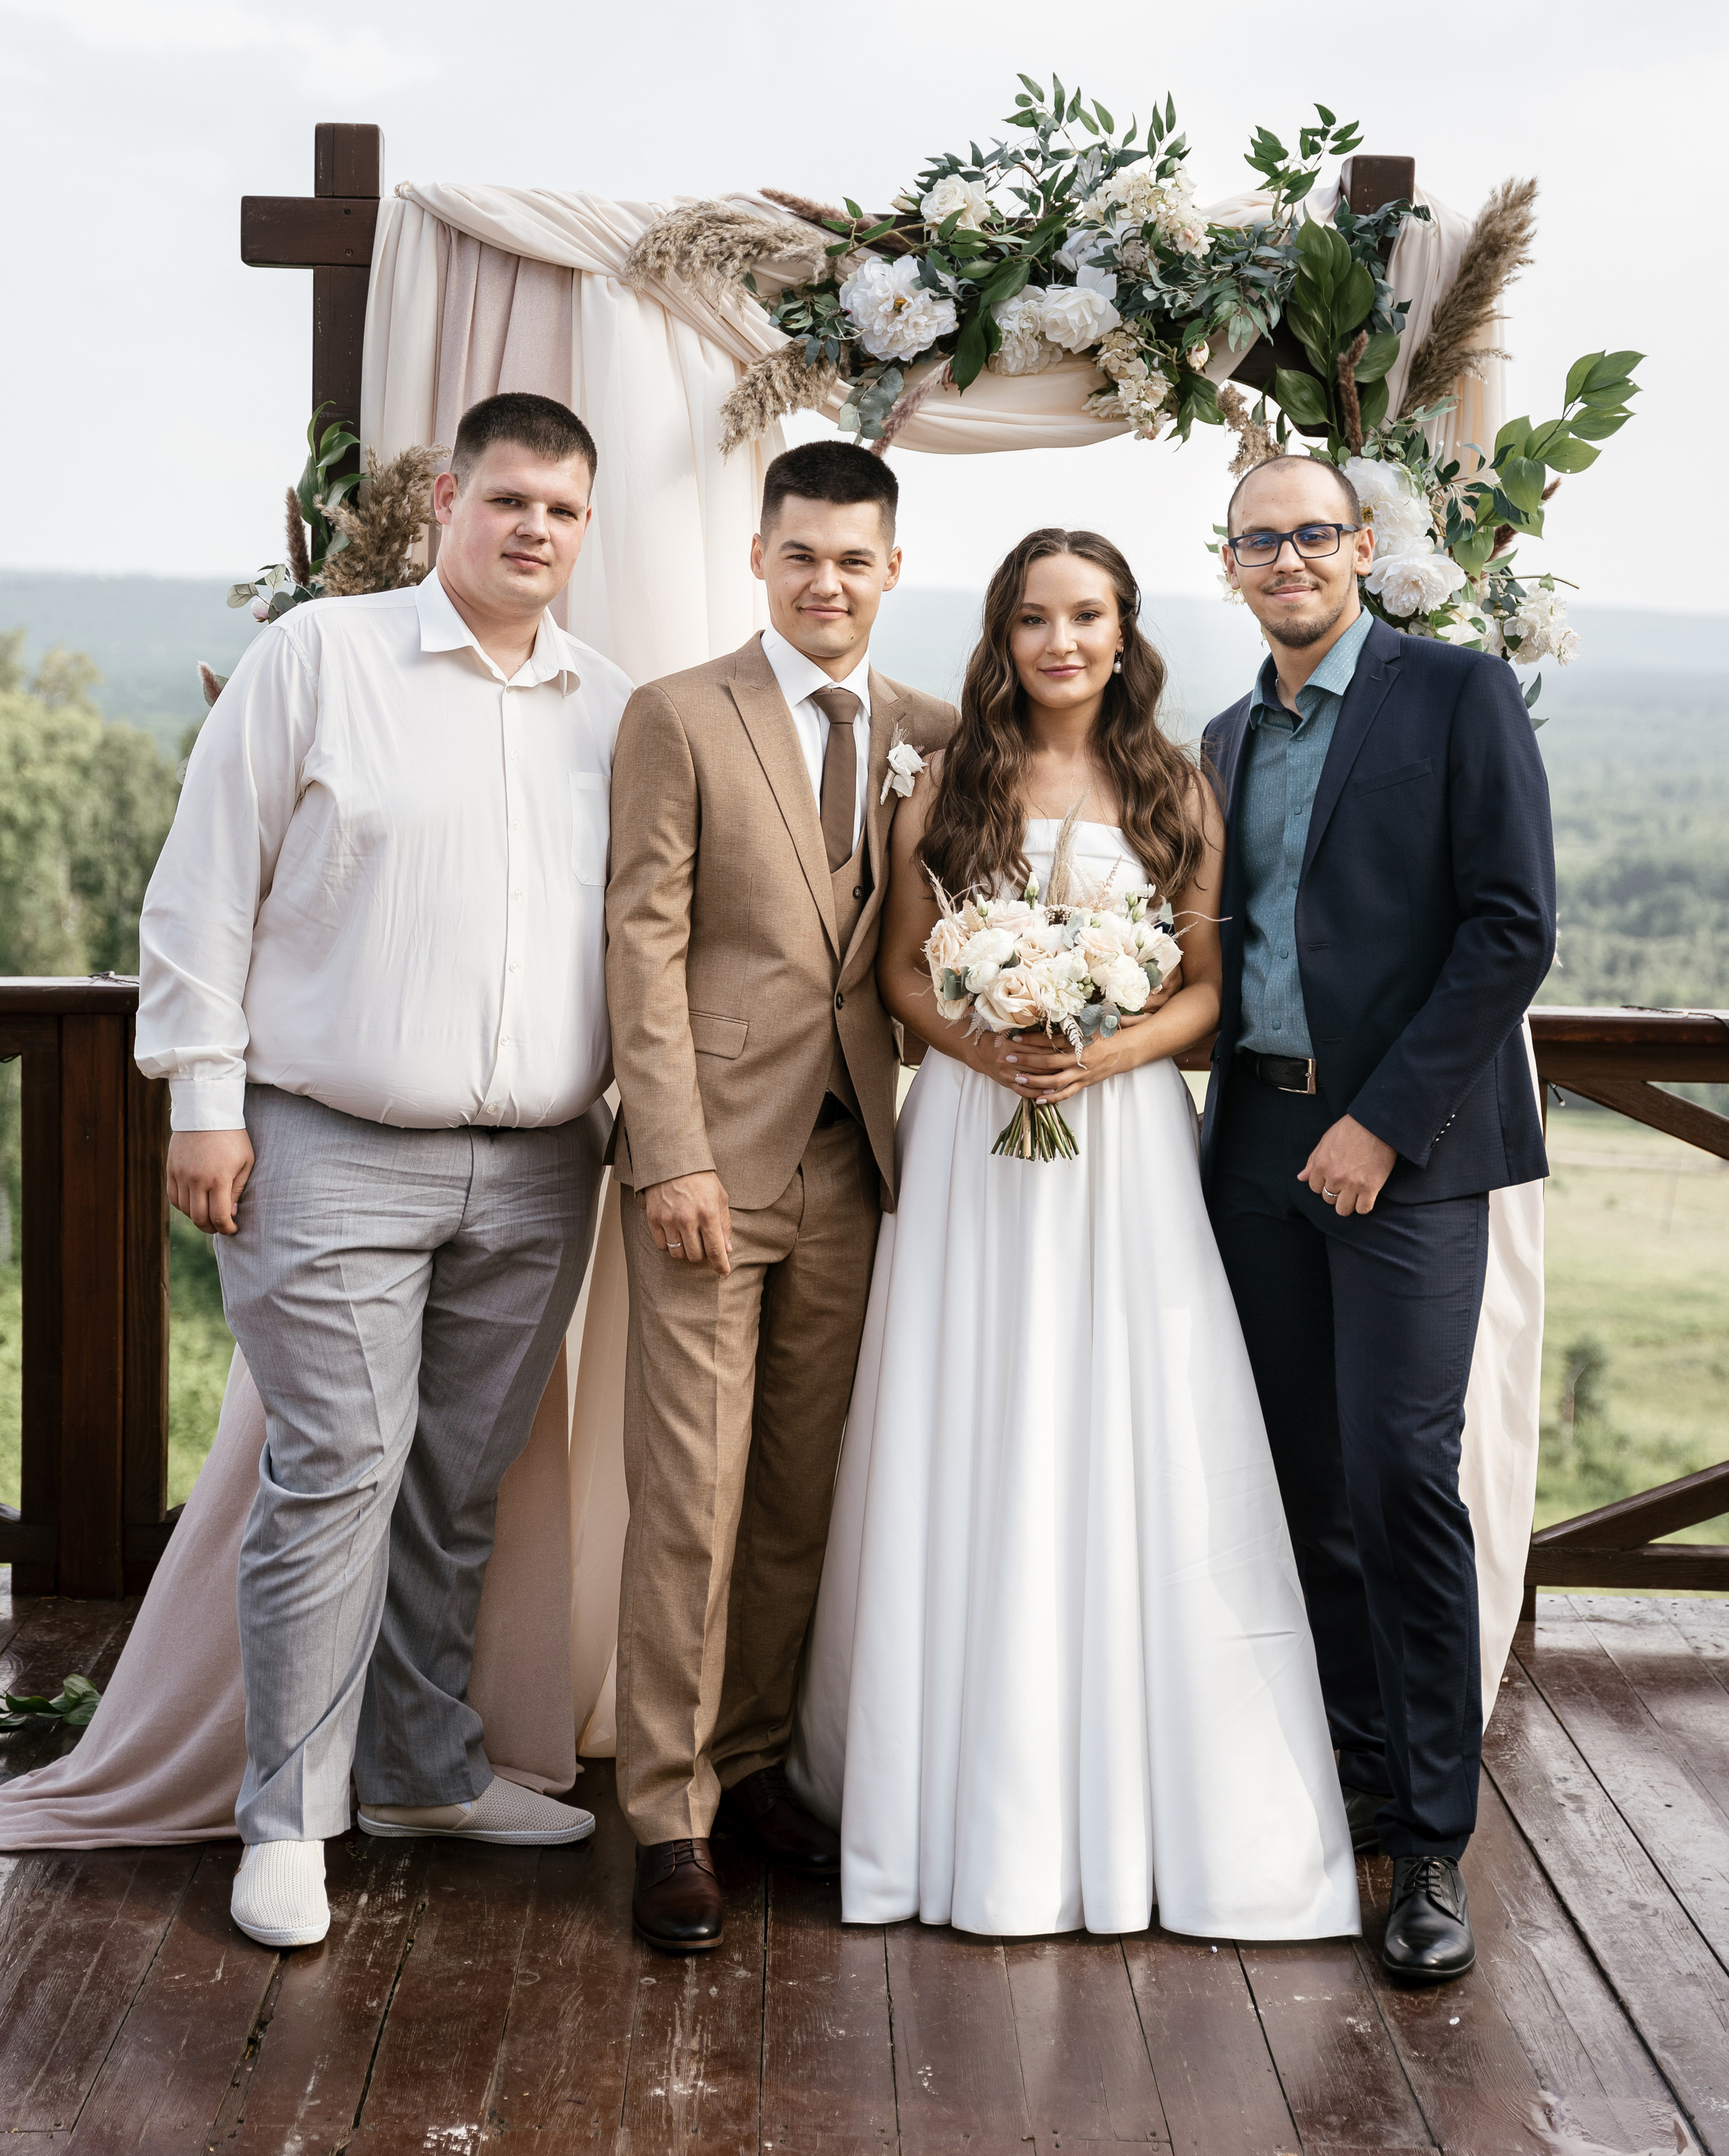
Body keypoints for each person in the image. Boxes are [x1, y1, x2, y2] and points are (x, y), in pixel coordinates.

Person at [788, 528, 1360, 1944]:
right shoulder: (945, 779)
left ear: (1122, 630)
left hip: (1120, 1151)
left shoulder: (1177, 782)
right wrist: (984, 1041)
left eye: (1085, 616)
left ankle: (1140, 1793)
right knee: (971, 1421)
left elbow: (1208, 985)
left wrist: (1104, 1055)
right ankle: (944, 1792)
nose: (1059, 641)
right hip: (978, 1149)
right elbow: (904, 974)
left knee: (1128, 1427)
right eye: (1033, 617)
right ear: (1003, 632)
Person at [135, 391, 629, 1951]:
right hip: (327, 1144)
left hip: (544, 1165)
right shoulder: (319, 660)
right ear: (445, 497)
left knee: (457, 1485)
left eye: (560, 509)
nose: (532, 530)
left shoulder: (611, 708)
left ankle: (426, 1771)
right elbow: (203, 891)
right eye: (507, 501)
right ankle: (287, 1816)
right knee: (336, 1471)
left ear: (584, 526)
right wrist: (201, 1101)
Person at [1202, 451, 1555, 1983]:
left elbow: (1508, 930)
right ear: (1228, 566)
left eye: (1308, 534)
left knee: (1403, 1476)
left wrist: (1376, 1125)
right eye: (1253, 540)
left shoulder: (1452, 695)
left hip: (1404, 1154)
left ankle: (1426, 1844)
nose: (1283, 559)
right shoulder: (1219, 734)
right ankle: (1347, 1774)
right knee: (1300, 1484)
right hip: (1250, 1146)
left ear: (1360, 546)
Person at [604, 439, 957, 1954]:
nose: (827, 581)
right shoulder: (676, 714)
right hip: (708, 1167)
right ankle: (666, 1814)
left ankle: (749, 1765)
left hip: (860, 1168)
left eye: (854, 558)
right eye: (800, 553)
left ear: (892, 570)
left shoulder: (930, 731)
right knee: (690, 1493)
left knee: (799, 1497)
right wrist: (668, 1147)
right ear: (759, 558)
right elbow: (641, 941)